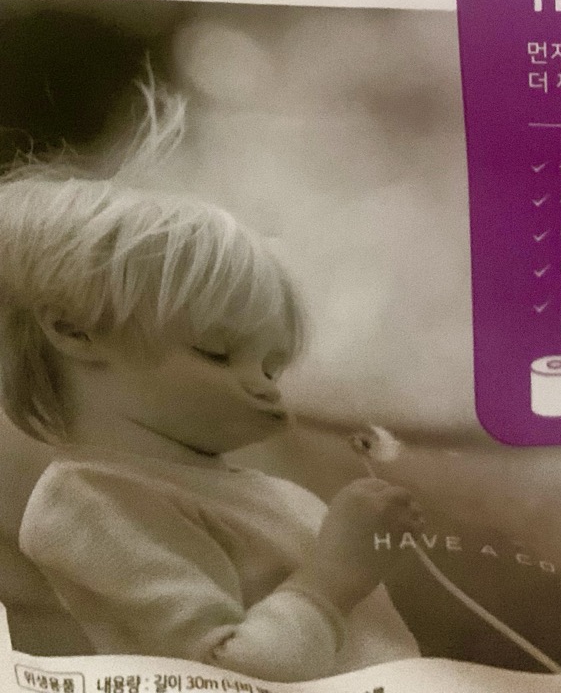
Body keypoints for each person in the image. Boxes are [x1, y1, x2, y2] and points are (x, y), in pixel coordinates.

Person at [0, 88, 422, 682]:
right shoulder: (90, 500)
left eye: (270, 369)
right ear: (75, 331)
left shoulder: (259, 492)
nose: (265, 389)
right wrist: (333, 577)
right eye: (217, 353)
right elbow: (225, 674)